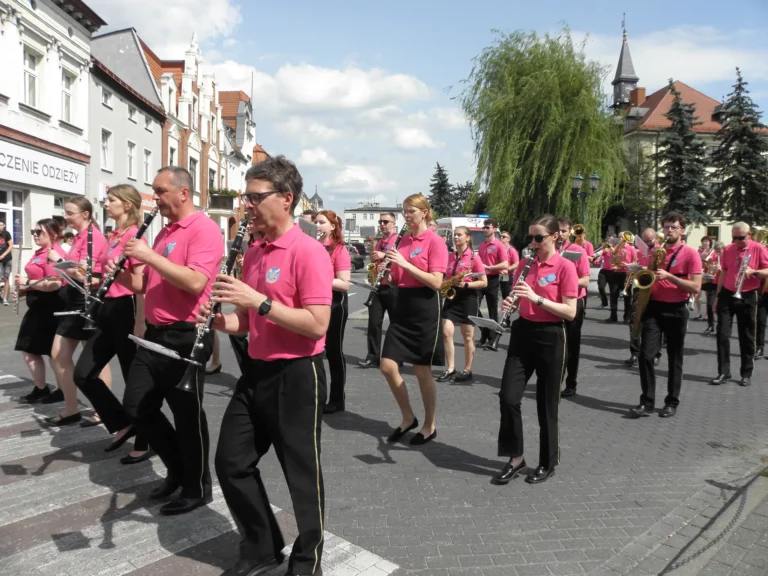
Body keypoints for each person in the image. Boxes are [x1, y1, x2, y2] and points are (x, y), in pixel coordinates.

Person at [208, 156, 332, 576]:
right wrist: (219, 321)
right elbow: (247, 321)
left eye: (255, 197)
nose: (248, 205)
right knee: (230, 461)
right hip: (256, 372)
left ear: (286, 199)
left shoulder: (309, 252)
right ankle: (262, 545)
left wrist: (256, 300)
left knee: (301, 473)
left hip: (298, 374)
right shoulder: (256, 251)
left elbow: (317, 324)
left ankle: (307, 559)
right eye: (247, 196)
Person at [111, 166, 222, 516]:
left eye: (160, 191)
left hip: (185, 335)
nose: (154, 198)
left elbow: (193, 282)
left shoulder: (204, 229)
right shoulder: (164, 233)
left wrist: (149, 256)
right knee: (136, 405)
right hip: (155, 335)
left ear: (183, 193)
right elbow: (147, 285)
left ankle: (196, 486)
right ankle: (177, 468)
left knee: (187, 417)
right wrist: (121, 273)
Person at [493, 215, 578, 486]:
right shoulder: (524, 265)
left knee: (546, 405)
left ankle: (547, 461)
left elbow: (571, 311)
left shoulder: (565, 266)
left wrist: (537, 298)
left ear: (554, 237)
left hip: (552, 335)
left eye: (538, 238)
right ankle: (516, 458)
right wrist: (510, 305)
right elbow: (519, 299)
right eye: (530, 237)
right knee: (508, 396)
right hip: (523, 333)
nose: (533, 242)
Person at [72, 185, 150, 464]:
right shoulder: (114, 234)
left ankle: (144, 440)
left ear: (127, 205)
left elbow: (142, 284)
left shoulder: (134, 235)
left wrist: (141, 321)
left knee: (133, 379)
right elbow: (111, 274)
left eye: (112, 199)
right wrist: (91, 279)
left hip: (127, 310)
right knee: (83, 374)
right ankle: (122, 422)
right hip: (108, 308)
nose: (106, 203)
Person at [380, 193, 448, 446]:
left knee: (421, 370)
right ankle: (408, 417)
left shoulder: (435, 242)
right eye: (404, 212)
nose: (407, 216)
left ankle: (430, 424)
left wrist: (405, 264)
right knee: (387, 365)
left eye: (411, 211)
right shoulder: (403, 241)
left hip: (425, 307)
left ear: (425, 212)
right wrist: (388, 274)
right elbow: (397, 279)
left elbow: (436, 282)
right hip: (403, 305)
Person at [629, 212, 701, 419]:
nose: (669, 231)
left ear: (682, 230)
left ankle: (671, 402)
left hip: (677, 309)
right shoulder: (656, 252)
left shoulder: (690, 254)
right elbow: (650, 276)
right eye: (666, 227)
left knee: (674, 357)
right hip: (654, 308)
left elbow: (695, 286)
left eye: (673, 227)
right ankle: (647, 401)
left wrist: (670, 277)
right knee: (645, 355)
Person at [47, 198, 111, 427]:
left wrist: (62, 261)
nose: (66, 216)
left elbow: (89, 275)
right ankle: (71, 408)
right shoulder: (78, 237)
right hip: (72, 300)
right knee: (58, 354)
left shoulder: (94, 237)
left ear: (85, 214)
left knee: (96, 359)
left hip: (87, 302)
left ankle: (103, 410)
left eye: (70, 212)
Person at [710, 223, 768, 387]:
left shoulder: (758, 248)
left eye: (740, 238)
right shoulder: (729, 249)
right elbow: (724, 272)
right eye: (733, 237)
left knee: (747, 335)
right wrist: (717, 297)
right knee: (722, 334)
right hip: (728, 294)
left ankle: (746, 372)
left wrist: (754, 272)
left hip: (748, 294)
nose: (736, 241)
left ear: (749, 235)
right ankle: (723, 372)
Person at [13, 219, 64, 402]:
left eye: (39, 232)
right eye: (32, 231)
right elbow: (37, 280)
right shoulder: (39, 252)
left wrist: (27, 283)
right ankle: (43, 388)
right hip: (37, 306)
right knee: (32, 349)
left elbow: (54, 283)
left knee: (51, 353)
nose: (34, 235)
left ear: (52, 234)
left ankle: (61, 390)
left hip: (49, 306)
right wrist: (23, 289)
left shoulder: (52, 254)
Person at [437, 226, 487, 383]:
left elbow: (483, 282)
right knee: (446, 332)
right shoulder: (450, 257)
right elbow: (445, 276)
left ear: (467, 238)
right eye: (454, 235)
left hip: (468, 298)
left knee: (467, 336)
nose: (456, 237)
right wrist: (446, 283)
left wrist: (466, 285)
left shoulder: (474, 258)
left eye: (459, 235)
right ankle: (450, 368)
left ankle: (467, 369)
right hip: (452, 297)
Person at [316, 209, 351, 414]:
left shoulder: (339, 249)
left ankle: (337, 398)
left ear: (332, 226)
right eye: (316, 222)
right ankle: (316, 395)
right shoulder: (311, 246)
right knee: (315, 351)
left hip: (335, 304)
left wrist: (317, 279)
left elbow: (345, 283)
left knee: (334, 352)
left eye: (321, 222)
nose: (318, 226)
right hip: (314, 303)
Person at [359, 213, 399, 369]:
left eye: (386, 221)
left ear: (393, 223)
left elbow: (402, 261)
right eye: (380, 222)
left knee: (396, 324)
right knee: (374, 323)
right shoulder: (379, 243)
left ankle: (396, 356)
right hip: (379, 286)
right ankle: (372, 356)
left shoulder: (399, 241)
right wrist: (376, 268)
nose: (382, 224)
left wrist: (385, 256)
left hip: (394, 286)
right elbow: (376, 263)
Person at [557, 217, 591, 398]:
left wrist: (566, 283)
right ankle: (555, 379)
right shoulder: (551, 251)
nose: (561, 234)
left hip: (575, 300)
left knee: (572, 343)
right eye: (558, 231)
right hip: (556, 302)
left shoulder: (578, 250)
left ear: (570, 232)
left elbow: (585, 280)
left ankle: (571, 383)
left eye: (564, 231)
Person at [626, 229, 664, 367]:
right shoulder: (640, 251)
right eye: (645, 241)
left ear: (656, 239)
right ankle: (634, 353)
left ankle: (655, 354)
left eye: (650, 241)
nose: (647, 244)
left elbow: (661, 271)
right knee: (634, 320)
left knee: (656, 324)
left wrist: (644, 268)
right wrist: (633, 268)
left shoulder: (661, 251)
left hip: (656, 289)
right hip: (640, 287)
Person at [476, 219, 508, 348]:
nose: (485, 230)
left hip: (493, 279)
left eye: (488, 227)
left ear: (494, 229)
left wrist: (489, 267)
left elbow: (505, 264)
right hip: (480, 279)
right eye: (484, 227)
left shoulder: (499, 245)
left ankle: (492, 339)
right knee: (474, 307)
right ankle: (485, 332)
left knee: (492, 310)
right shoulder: (482, 245)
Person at [596, 233, 615, 309]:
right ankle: (604, 302)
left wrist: (612, 248)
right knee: (601, 287)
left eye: (611, 240)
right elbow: (601, 253)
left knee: (613, 291)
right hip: (604, 270)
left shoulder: (616, 248)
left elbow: (615, 254)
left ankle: (613, 305)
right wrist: (598, 254)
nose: (609, 241)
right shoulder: (605, 248)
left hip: (613, 271)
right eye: (608, 240)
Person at [695, 237, 713, 319]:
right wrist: (700, 256)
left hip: (708, 273)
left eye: (706, 241)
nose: (705, 243)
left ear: (709, 242)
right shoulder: (699, 251)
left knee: (707, 295)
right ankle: (699, 312)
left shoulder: (712, 251)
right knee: (697, 294)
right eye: (703, 241)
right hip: (700, 273)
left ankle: (707, 314)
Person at [499, 231, 519, 301]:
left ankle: (508, 310)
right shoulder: (499, 249)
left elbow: (516, 264)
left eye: (503, 237)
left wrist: (507, 269)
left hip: (507, 275)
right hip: (499, 275)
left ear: (508, 239)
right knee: (500, 293)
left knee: (506, 294)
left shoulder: (511, 250)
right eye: (500, 236)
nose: (501, 238)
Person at [0, 220, 13, 305]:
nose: (2, 226)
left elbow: (11, 246)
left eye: (2, 225)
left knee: (6, 279)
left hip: (7, 259)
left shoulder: (6, 234)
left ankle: (5, 299)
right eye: (0, 225)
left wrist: (3, 255)